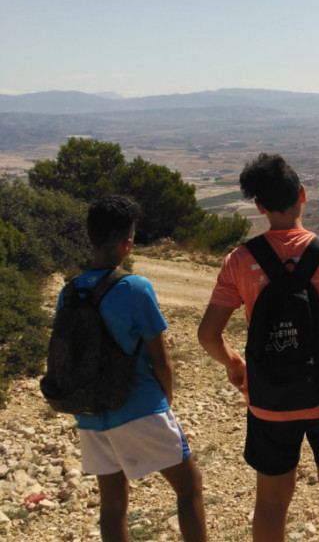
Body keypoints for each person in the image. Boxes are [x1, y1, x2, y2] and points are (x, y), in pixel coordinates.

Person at [197, 153, 319, 542]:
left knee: (272, 502)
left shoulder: (239, 261)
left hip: (269, 399)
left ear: (259, 206)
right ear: (302, 194)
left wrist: (233, 363)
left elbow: (208, 333)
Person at [66, 195, 206, 542]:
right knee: (190, 489)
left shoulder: (69, 292)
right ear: (128, 242)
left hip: (91, 413)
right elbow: (161, 358)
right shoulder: (135, 287)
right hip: (140, 406)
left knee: (112, 504)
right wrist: (166, 402)